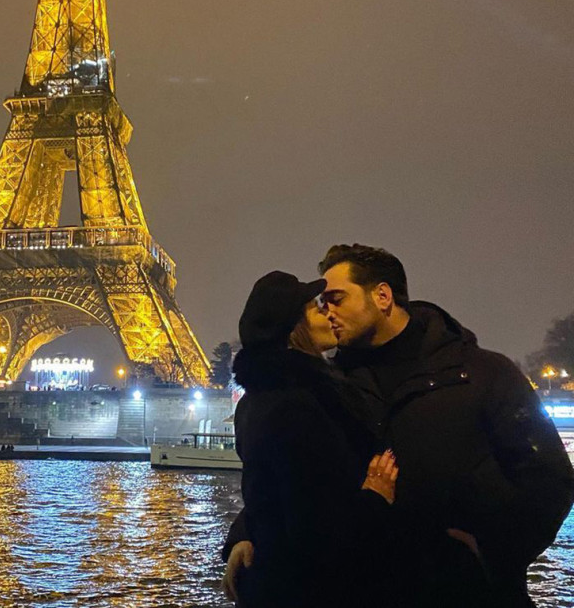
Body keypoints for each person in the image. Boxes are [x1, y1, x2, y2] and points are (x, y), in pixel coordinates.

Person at [224, 245, 574, 608]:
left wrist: (489, 555)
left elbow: (548, 480)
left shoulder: (485, 374)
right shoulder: (323, 384)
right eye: (322, 303)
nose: (328, 311)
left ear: (382, 296)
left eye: (336, 299)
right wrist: (246, 534)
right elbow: (300, 479)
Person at [222, 271, 399, 608]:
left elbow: (271, 497)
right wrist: (375, 498)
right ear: (294, 329)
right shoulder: (300, 406)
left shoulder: (258, 402)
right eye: (319, 308)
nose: (329, 313)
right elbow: (317, 531)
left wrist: (244, 535)